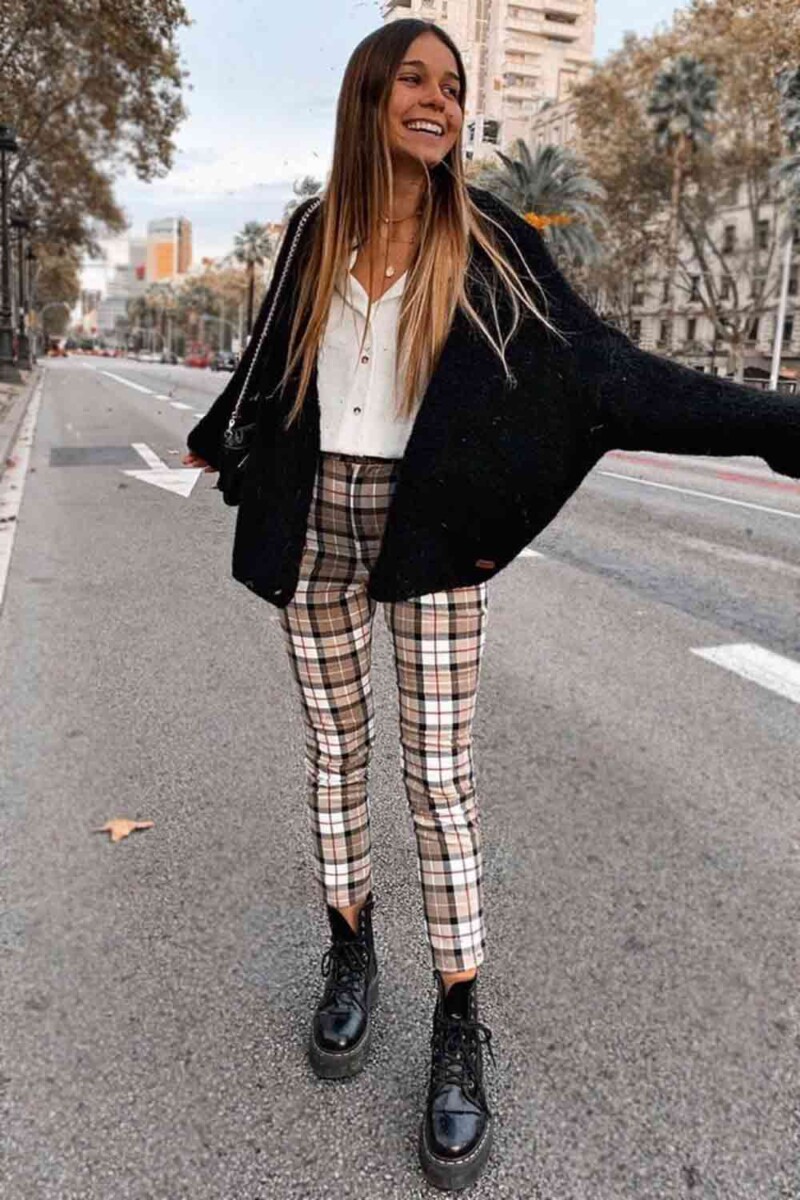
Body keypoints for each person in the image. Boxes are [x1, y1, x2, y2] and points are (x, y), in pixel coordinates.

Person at [183, 19, 800, 1193]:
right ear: (367, 97)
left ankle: (459, 1023)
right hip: (313, 522)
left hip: (432, 537)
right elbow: (269, 362)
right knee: (333, 757)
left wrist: (779, 426)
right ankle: (351, 957)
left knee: (439, 777)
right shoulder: (315, 232)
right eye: (413, 80)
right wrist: (221, 443)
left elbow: (613, 375)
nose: (437, 101)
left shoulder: (495, 242)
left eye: (452, 87)